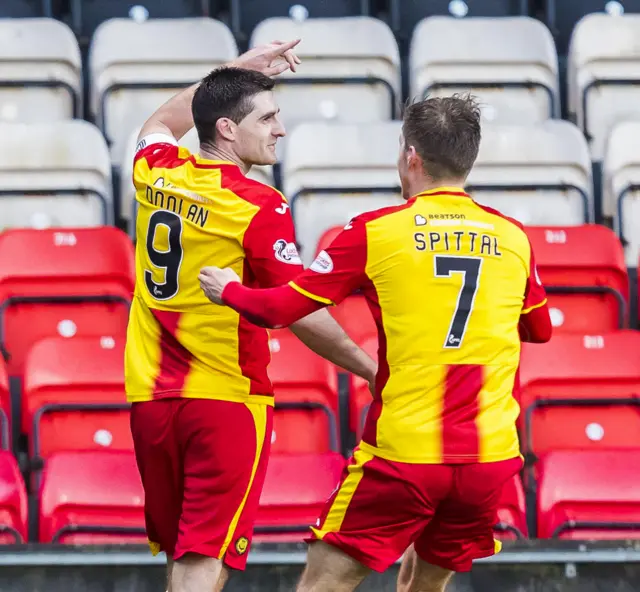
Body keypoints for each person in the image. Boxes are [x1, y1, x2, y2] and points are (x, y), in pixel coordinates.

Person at [198, 94, 553, 592]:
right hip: (488, 459)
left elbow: (281, 309)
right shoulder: (514, 237)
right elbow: (540, 330)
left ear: (411, 155)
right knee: (425, 586)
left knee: (325, 583)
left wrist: (227, 289)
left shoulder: (376, 231)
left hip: (404, 454)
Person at [125, 40, 376, 592]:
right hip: (225, 400)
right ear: (228, 129)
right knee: (202, 553)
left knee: (180, 552)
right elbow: (297, 311)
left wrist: (234, 72)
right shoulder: (259, 205)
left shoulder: (156, 170)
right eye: (267, 118)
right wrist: (369, 369)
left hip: (149, 398)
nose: (280, 130)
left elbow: (160, 120)